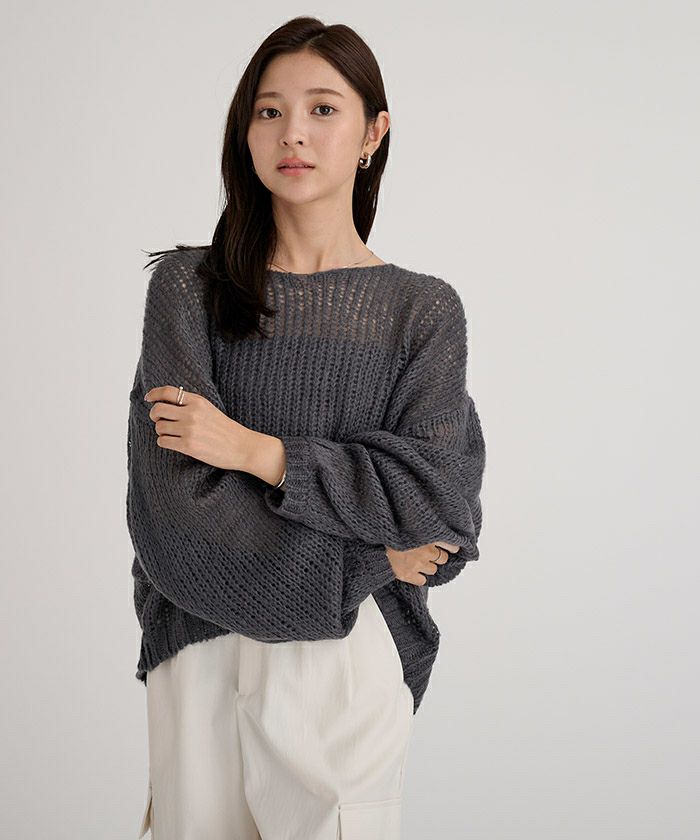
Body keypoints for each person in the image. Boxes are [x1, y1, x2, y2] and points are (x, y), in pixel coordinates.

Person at [127, 15, 486, 840]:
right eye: (269, 110)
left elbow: (437, 508)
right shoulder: (187, 290)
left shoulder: (422, 310)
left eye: (324, 108)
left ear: (373, 133)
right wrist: (369, 554)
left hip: (349, 655)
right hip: (203, 644)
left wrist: (257, 452)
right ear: (245, 132)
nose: (293, 132)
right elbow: (173, 516)